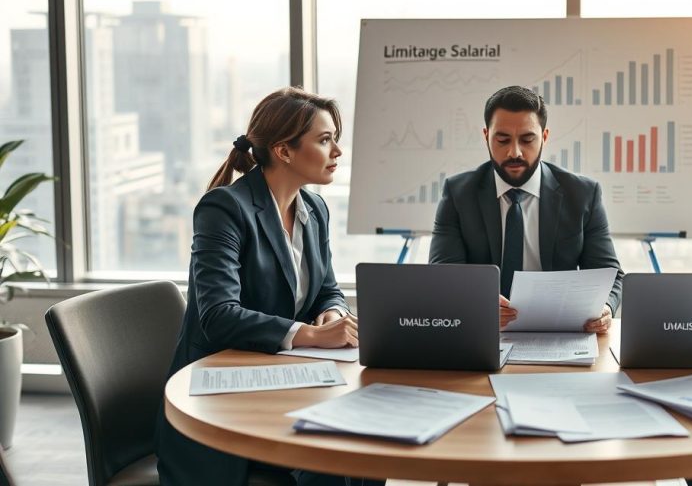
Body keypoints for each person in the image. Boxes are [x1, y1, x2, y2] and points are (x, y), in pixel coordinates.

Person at [156, 87, 382, 486]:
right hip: (220, 405)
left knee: (365, 447)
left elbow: (327, 287)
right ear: (284, 151)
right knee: (332, 458)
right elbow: (218, 316)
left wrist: (333, 312)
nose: (337, 152)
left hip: (284, 382)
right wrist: (312, 333)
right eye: (325, 140)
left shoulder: (314, 208)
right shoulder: (224, 208)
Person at [429, 85, 623, 331]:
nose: (515, 152)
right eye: (502, 140)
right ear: (486, 135)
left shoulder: (583, 194)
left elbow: (610, 275)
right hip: (481, 330)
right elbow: (443, 277)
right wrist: (477, 305)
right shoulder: (459, 193)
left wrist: (604, 308)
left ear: (544, 136)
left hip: (561, 332)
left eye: (527, 139)